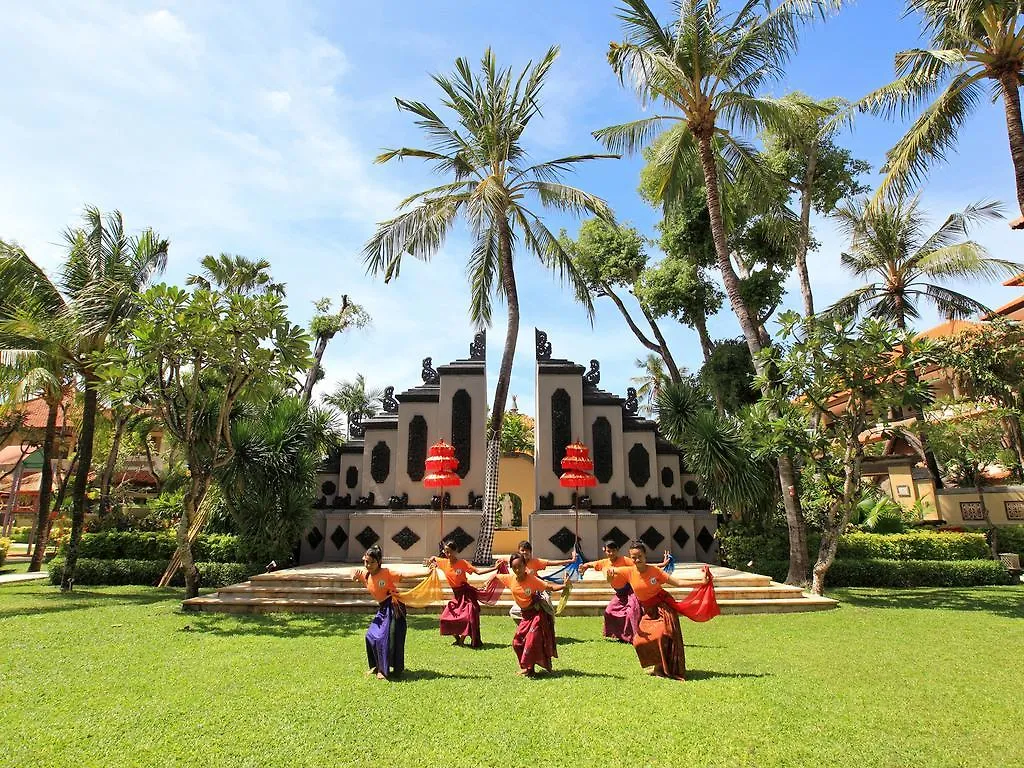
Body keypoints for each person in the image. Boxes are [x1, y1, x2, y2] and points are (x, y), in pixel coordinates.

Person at [606, 541, 718, 680]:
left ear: (645, 555)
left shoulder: (655, 571)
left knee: (662, 635)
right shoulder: (628, 571)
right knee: (638, 641)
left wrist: (701, 582)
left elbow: (677, 582)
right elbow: (610, 574)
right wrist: (609, 577)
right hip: (648, 611)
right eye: (633, 557)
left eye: (639, 556)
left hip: (663, 607)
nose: (637, 560)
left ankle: (661, 669)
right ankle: (657, 666)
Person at [496, 552, 571, 676]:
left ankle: (531, 669)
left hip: (536, 615)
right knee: (516, 642)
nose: (517, 569)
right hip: (524, 616)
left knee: (531, 642)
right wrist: (489, 579)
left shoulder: (532, 579)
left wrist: (564, 585)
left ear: (525, 565)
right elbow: (496, 576)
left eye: (519, 566)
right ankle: (526, 667)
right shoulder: (510, 579)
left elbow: (549, 587)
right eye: (514, 567)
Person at [427, 540, 498, 648]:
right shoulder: (443, 562)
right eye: (446, 552)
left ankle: (461, 640)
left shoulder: (462, 563)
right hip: (456, 595)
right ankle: (458, 639)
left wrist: (495, 568)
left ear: (456, 551)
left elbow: (478, 572)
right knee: (445, 618)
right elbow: (433, 558)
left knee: (468, 617)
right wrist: (431, 560)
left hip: (466, 594)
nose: (448, 554)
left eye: (450, 552)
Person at [352, 545, 407, 680]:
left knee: (389, 639)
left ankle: (385, 669)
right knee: (370, 635)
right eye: (366, 562)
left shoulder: (386, 572)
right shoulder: (366, 575)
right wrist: (353, 576)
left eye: (372, 562)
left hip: (394, 607)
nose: (369, 565)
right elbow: (353, 571)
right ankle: (377, 666)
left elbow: (405, 576)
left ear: (379, 562)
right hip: (383, 608)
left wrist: (427, 573)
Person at [507, 540, 573, 622]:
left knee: (548, 606)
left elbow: (552, 563)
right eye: (522, 550)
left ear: (530, 552)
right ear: (519, 552)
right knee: (514, 612)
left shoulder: (535, 562)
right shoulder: (516, 564)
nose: (525, 552)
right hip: (526, 593)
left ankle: (550, 625)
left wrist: (570, 561)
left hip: (539, 589)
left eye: (527, 550)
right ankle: (526, 628)